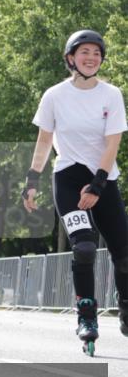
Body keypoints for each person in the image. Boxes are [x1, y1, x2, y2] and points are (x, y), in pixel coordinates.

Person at [23, 29, 128, 355]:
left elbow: (113, 142)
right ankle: (87, 317)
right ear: (71, 58)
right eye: (85, 52)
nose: (91, 58)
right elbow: (44, 141)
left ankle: (125, 307)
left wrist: (98, 184)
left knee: (124, 256)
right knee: (83, 247)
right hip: (67, 179)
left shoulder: (111, 94)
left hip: (104, 180)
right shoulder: (54, 95)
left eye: (96, 53)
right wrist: (31, 181)